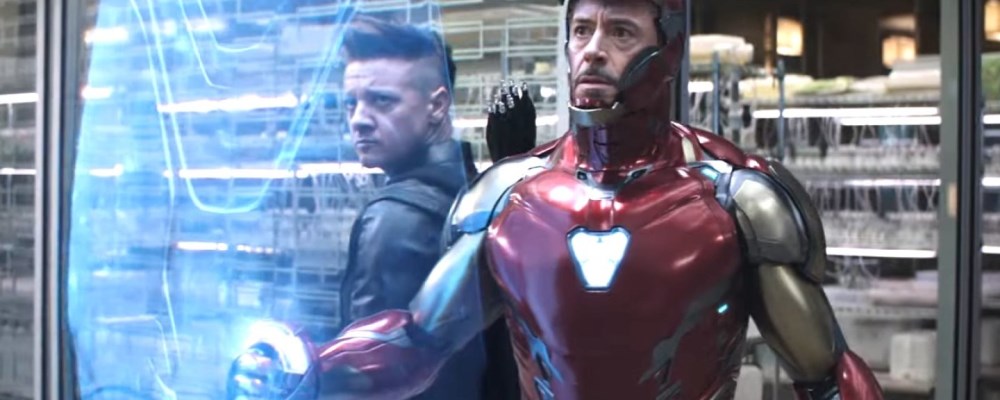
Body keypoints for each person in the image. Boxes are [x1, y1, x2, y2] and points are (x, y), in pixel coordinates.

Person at [230, 1, 886, 399]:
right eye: (581, 30)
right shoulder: (509, 198)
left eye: (620, 32)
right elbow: (419, 340)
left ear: (667, 51)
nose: (593, 51)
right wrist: (309, 368)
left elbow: (827, 374)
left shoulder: (736, 200)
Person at [314, 17, 511, 400]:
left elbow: (369, 381)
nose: (359, 120)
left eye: (382, 101)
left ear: (437, 105)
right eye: (352, 103)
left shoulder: (393, 220)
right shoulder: (478, 197)